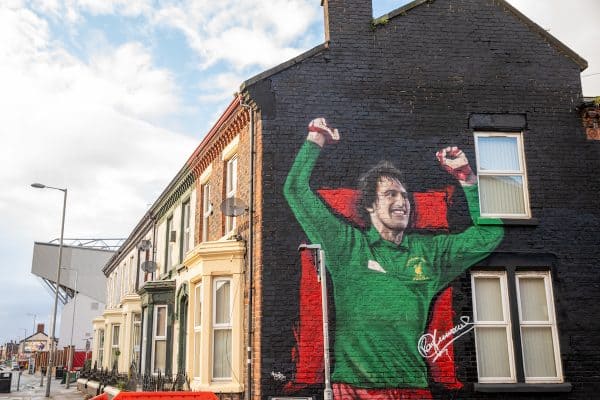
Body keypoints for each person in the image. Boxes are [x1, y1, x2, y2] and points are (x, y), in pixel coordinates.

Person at [283, 118, 504, 399]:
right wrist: (317, 138)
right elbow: (295, 190)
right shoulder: (347, 245)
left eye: (405, 196)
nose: (402, 202)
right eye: (390, 194)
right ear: (370, 205)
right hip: (354, 390)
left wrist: (467, 178)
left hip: (414, 388)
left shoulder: (430, 253)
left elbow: (490, 235)